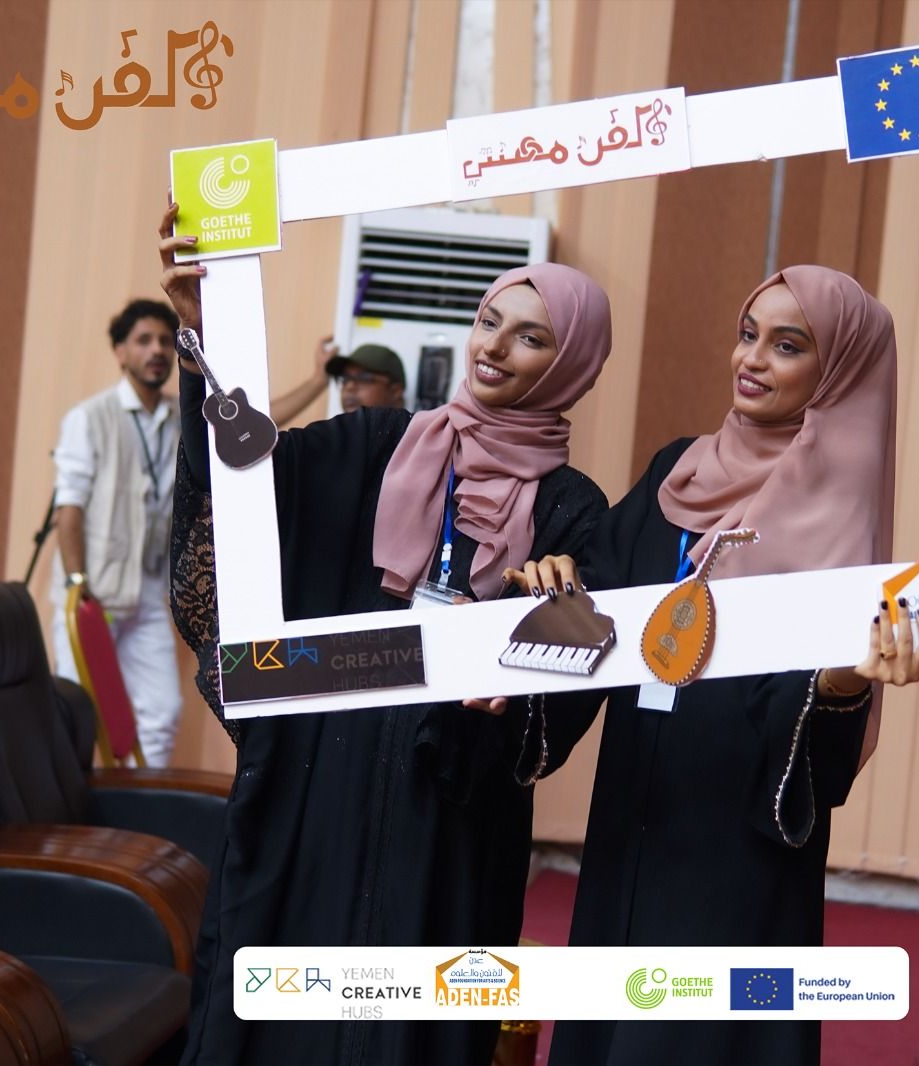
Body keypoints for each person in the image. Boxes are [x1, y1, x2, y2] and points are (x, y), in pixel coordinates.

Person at [157, 195, 614, 1065]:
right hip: (311, 794)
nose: (493, 347)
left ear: (573, 366)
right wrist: (206, 341)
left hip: (445, 834)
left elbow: (554, 716)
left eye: (531, 338)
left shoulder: (573, 515)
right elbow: (238, 491)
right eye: (489, 322)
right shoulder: (374, 444)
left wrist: (539, 634)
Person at [497, 266, 919, 1066]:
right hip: (631, 815)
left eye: (788, 346)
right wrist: (545, 599)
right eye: (747, 335)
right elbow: (595, 614)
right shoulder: (678, 471)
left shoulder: (837, 511)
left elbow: (815, 729)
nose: (752, 359)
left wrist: (845, 682)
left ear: (839, 370)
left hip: (734, 849)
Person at [50, 298, 184, 767]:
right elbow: (69, 506)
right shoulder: (90, 417)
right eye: (144, 340)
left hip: (147, 590)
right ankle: (68, 810)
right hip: (95, 591)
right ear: (120, 352)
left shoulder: (181, 416)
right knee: (78, 716)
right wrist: (77, 584)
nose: (157, 350)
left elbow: (250, 420)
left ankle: (144, 807)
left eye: (165, 341)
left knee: (162, 713)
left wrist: (317, 380)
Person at [268, 337, 408, 425]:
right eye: (345, 379)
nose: (349, 386)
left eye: (363, 378)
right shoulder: (334, 441)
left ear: (395, 391)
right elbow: (259, 427)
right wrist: (318, 381)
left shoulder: (414, 444)